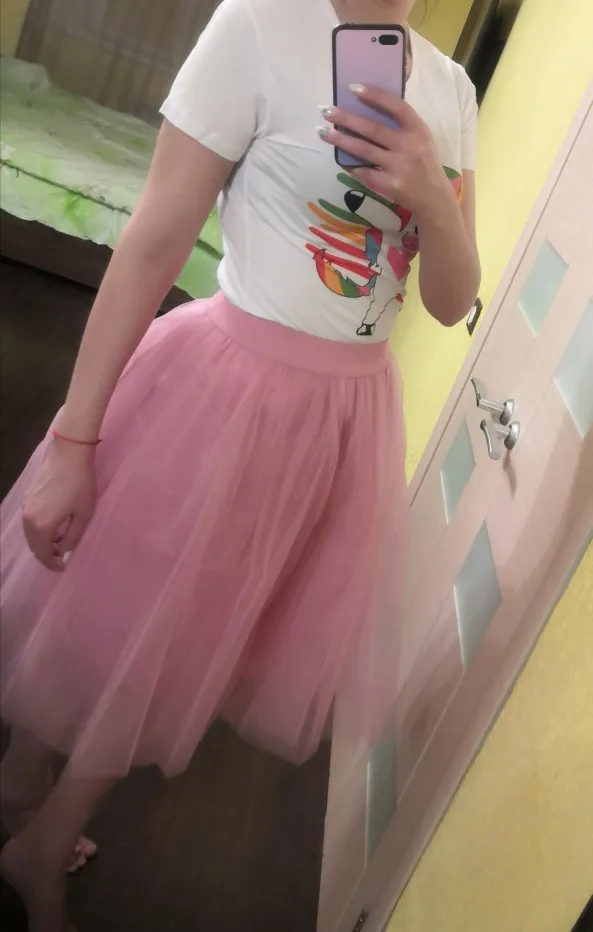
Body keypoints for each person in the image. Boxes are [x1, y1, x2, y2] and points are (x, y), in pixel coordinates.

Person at [0, 0, 480, 928]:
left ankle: (38, 834)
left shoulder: (452, 91)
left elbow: (450, 298)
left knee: (190, 640)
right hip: (222, 393)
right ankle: (27, 796)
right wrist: (72, 440)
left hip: (345, 423)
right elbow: (154, 237)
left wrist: (431, 194)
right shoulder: (260, 23)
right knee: (115, 601)